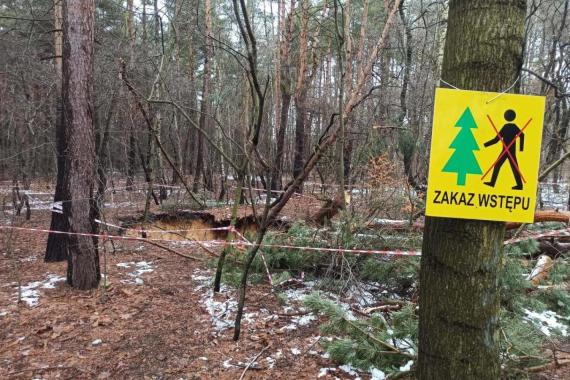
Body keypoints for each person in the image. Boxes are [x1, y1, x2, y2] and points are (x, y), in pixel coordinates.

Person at [483, 109, 524, 190]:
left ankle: (519, 185)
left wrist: (485, 145)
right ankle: (519, 185)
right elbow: (522, 135)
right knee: (510, 167)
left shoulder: (506, 127)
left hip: (508, 150)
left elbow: (496, 140)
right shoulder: (513, 127)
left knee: (503, 166)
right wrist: (521, 148)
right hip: (507, 150)